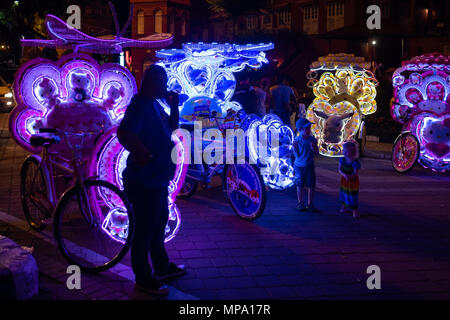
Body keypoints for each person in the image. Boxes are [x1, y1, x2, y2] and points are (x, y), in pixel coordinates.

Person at [117, 64, 186, 296]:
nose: (165, 86)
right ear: (150, 83)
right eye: (162, 82)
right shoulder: (139, 106)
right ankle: (143, 277)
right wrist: (142, 153)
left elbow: (172, 127)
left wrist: (174, 106)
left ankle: (162, 266)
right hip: (143, 180)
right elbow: (124, 133)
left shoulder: (154, 104)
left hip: (157, 178)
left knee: (158, 225)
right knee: (145, 229)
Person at [293, 118, 319, 212]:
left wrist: (314, 148)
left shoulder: (312, 140)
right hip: (299, 166)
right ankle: (300, 202)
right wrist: (295, 149)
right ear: (300, 130)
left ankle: (310, 203)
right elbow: (297, 156)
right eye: (306, 128)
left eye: (309, 128)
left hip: (309, 165)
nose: (308, 130)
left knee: (311, 185)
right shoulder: (297, 141)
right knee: (299, 185)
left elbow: (317, 153)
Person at [338, 141, 361, 218]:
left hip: (352, 182)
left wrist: (350, 176)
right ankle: (344, 206)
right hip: (344, 180)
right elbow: (339, 169)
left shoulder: (355, 163)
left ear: (351, 152)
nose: (343, 152)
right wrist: (344, 175)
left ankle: (355, 211)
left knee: (352, 195)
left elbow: (355, 173)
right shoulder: (342, 160)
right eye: (343, 150)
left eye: (345, 151)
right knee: (344, 193)